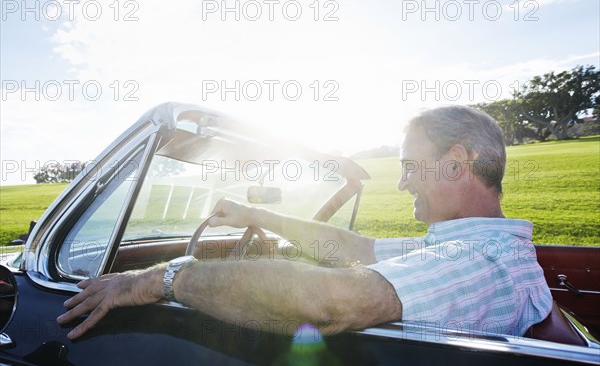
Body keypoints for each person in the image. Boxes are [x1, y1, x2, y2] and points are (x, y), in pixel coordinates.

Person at [57, 105, 552, 340]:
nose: (404, 185)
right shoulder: (478, 247)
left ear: (455, 162)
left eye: (409, 166)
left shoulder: (475, 262)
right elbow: (356, 250)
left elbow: (328, 301)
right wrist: (257, 216)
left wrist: (161, 278)